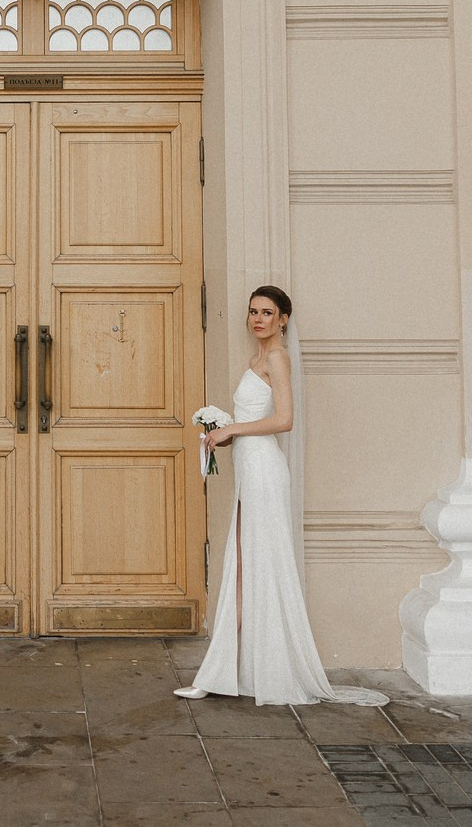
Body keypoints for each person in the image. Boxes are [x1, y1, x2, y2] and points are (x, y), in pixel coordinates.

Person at [174, 286, 387, 707]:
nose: (257, 319)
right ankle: (223, 670)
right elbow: (257, 420)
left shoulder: (277, 358)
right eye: (252, 312)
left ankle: (256, 672)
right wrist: (221, 433)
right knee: (241, 567)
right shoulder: (255, 359)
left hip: (266, 474)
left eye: (267, 313)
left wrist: (233, 428)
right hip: (248, 472)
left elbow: (284, 420)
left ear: (283, 318)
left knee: (260, 565)